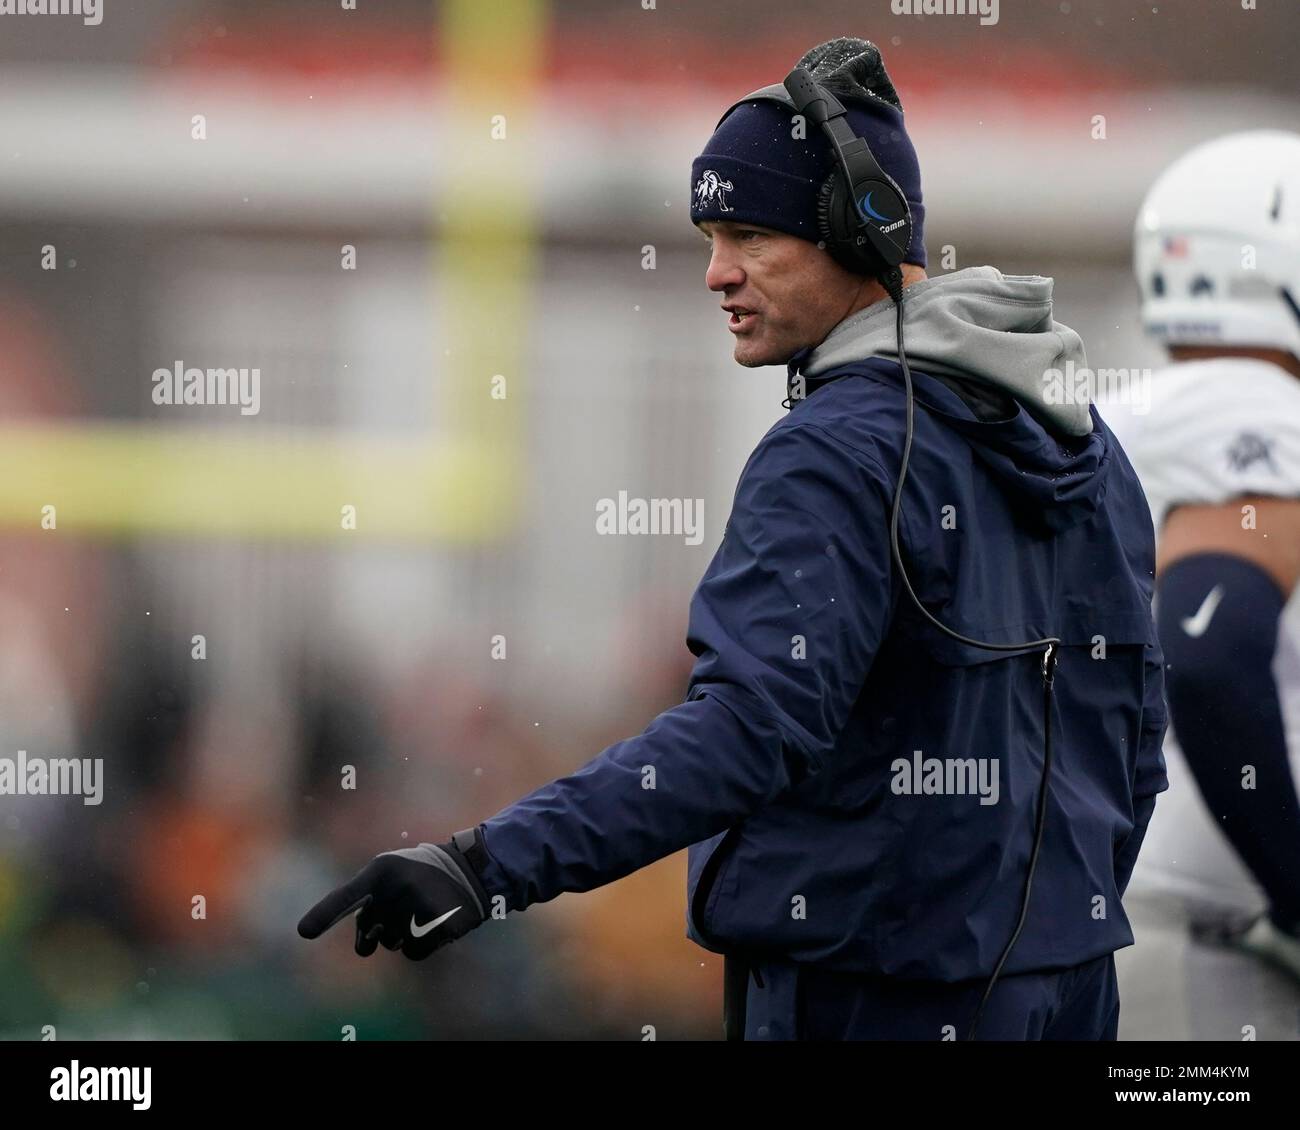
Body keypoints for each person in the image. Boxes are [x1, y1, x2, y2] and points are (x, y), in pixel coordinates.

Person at [298, 36, 1168, 1041]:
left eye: (751, 235)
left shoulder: (835, 451)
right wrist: (1050, 922)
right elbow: (1136, 731)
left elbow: (744, 734)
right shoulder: (1086, 438)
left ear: (863, 229)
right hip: (1067, 988)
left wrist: (486, 862)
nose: (716, 274)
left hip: (865, 991)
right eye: (710, 236)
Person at [1101, 130, 1300, 983]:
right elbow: (1209, 649)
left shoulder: (1126, 410)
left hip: (1090, 912)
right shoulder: (1257, 412)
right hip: (1205, 938)